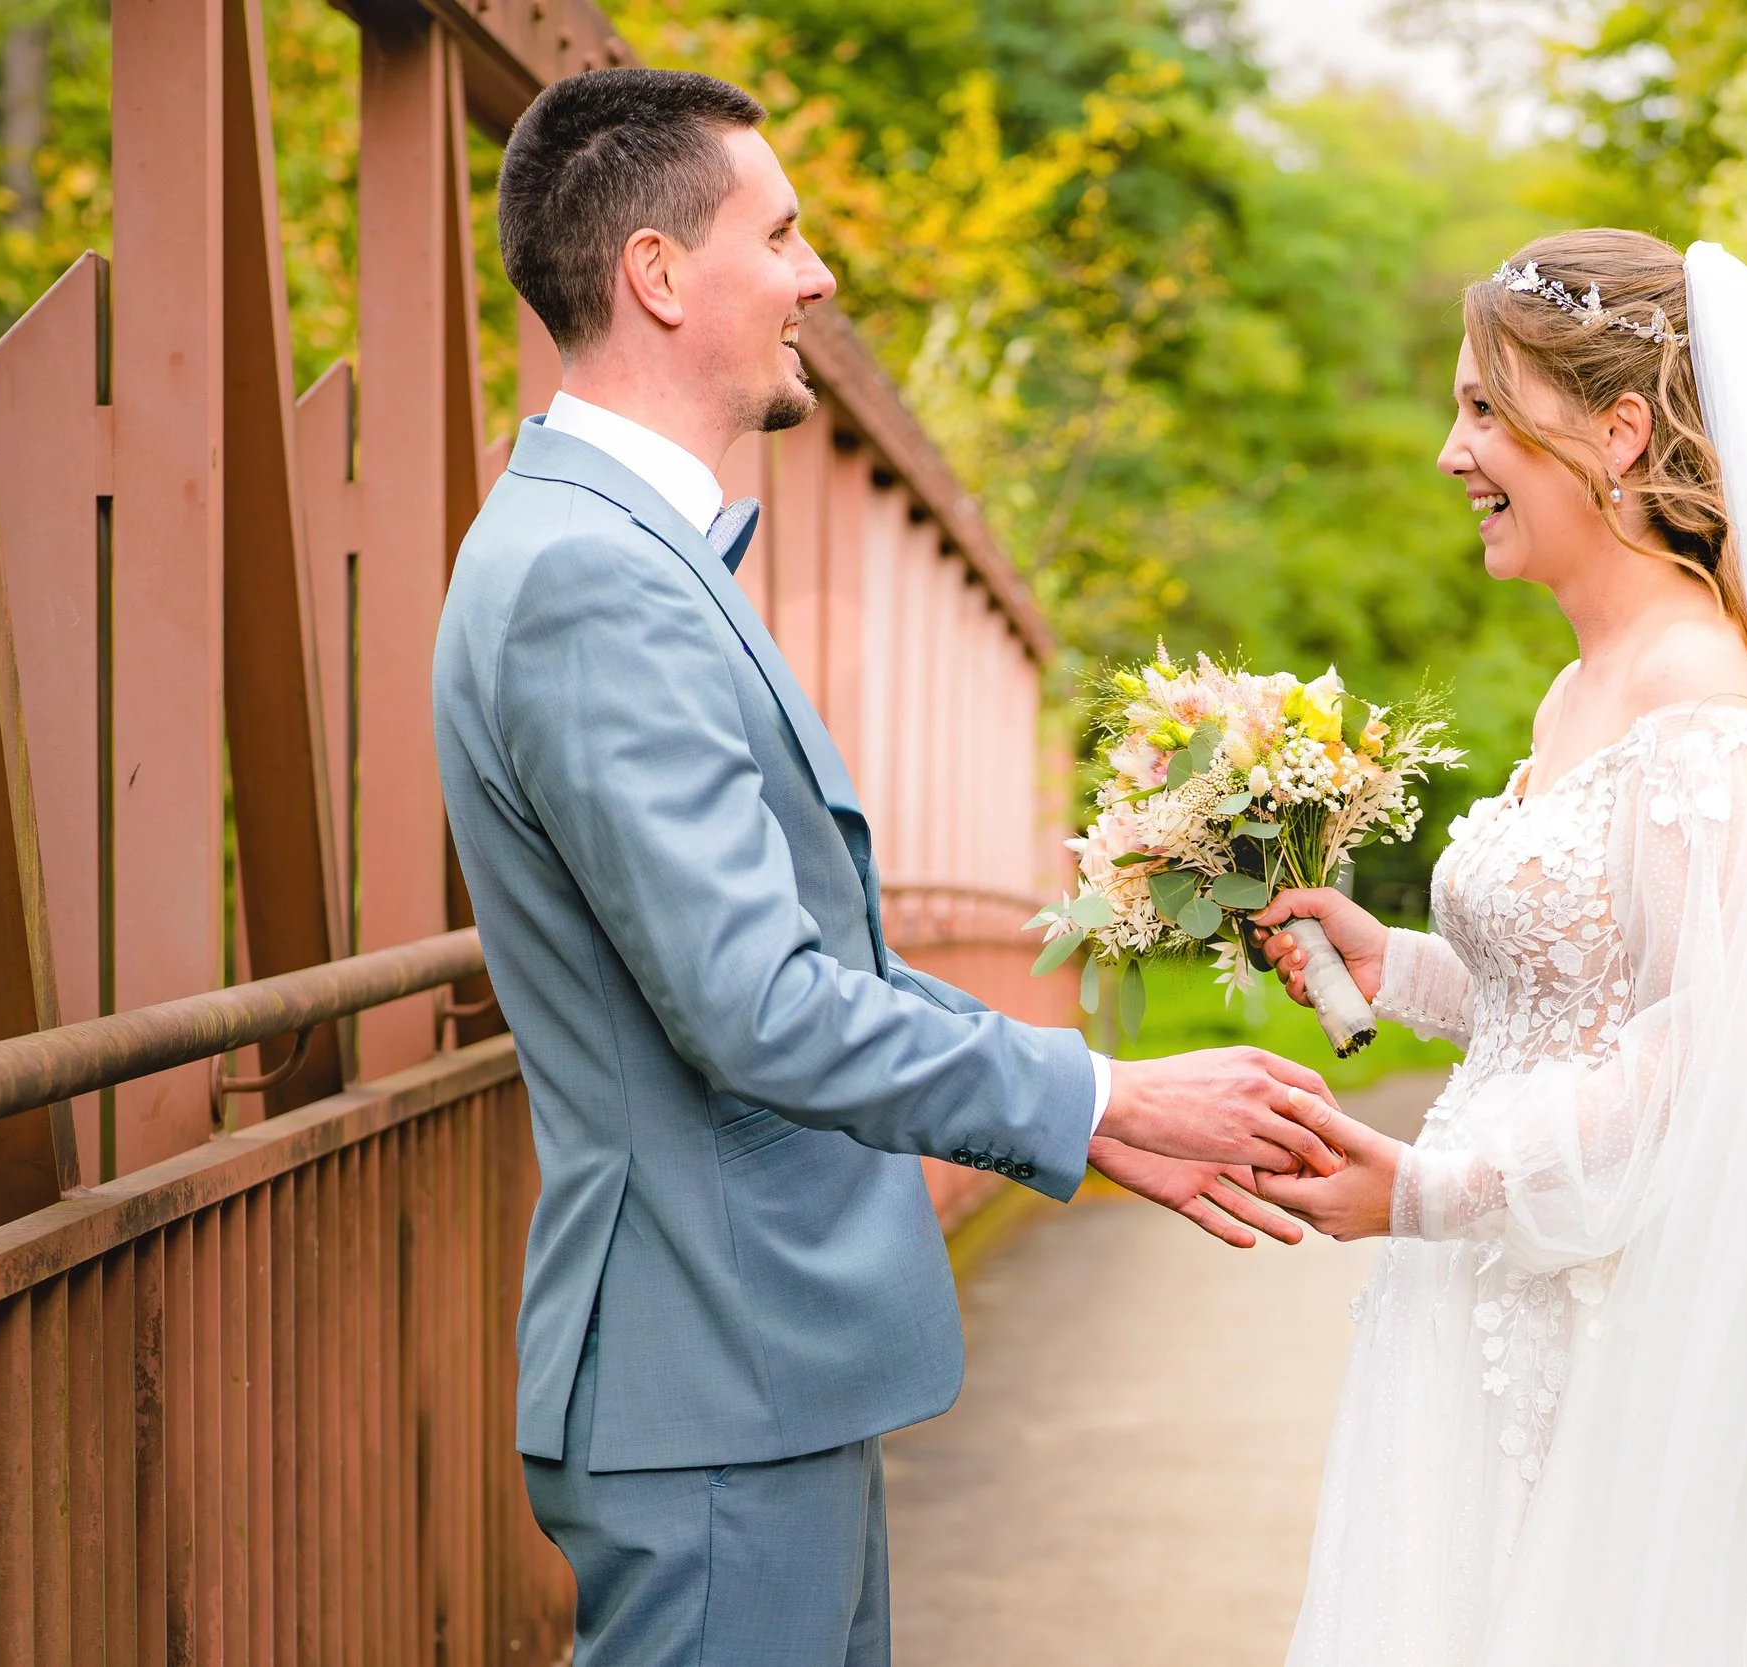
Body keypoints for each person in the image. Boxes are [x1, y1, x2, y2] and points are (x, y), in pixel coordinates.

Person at [433, 67, 1325, 1667]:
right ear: (657, 273)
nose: (815, 275)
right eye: (780, 234)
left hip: (749, 1364)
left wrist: (1087, 1120)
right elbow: (758, 1007)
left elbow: (794, 964)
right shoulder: (592, 582)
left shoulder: (615, 554)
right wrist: (1103, 1097)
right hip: (709, 1367)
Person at [1251, 231, 1747, 1666]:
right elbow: (1569, 990)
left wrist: (1435, 1184)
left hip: (1614, 1319)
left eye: (1486, 407)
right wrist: (1391, 957)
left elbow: (1702, 1048)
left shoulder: (1698, 699)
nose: (1448, 451)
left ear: (1619, 431)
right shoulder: (1573, 687)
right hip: (1488, 1289)